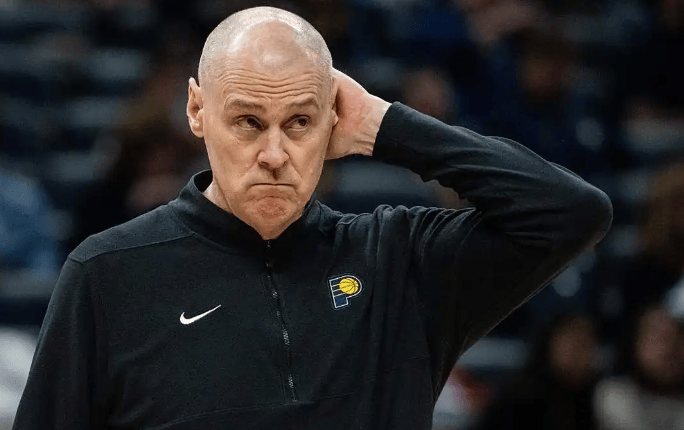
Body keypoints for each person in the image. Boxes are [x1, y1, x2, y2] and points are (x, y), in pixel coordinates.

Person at [12, 6, 612, 430]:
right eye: (248, 121)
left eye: (299, 121)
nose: (275, 154)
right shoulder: (107, 274)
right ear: (197, 111)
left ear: (331, 120)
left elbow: (572, 212)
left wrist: (386, 126)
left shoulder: (400, 261)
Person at [476, 313, 602, 430]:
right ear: (550, 342)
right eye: (573, 343)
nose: (578, 354)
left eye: (586, 344)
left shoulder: (595, 401)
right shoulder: (520, 399)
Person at [594, 305, 684, 430]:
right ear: (635, 344)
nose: (669, 348)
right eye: (657, 338)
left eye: (676, 337)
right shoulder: (614, 395)